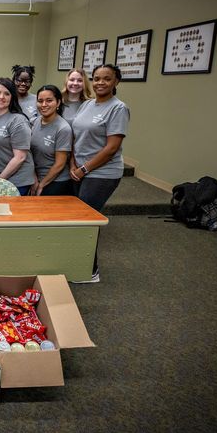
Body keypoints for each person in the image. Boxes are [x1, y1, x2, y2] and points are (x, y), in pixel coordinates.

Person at [70, 63, 130, 283]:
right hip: (80, 170)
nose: (100, 83)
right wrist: (74, 165)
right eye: (96, 78)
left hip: (103, 173)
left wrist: (85, 168)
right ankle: (76, 262)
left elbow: (111, 147)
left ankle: (90, 270)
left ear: (116, 82)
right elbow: (76, 136)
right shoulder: (87, 105)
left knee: (85, 221)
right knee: (76, 220)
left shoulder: (118, 108)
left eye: (106, 79)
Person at [0, 77, 35, 196]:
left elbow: (20, 157)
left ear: (12, 97)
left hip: (17, 180)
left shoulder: (18, 120)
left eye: (7, 94)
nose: (1, 97)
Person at [29, 85, 73, 196]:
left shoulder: (63, 128)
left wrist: (42, 185)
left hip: (56, 181)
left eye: (49, 100)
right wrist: (34, 179)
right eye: (40, 101)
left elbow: (60, 164)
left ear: (58, 103)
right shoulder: (36, 122)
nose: (44, 105)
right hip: (36, 178)